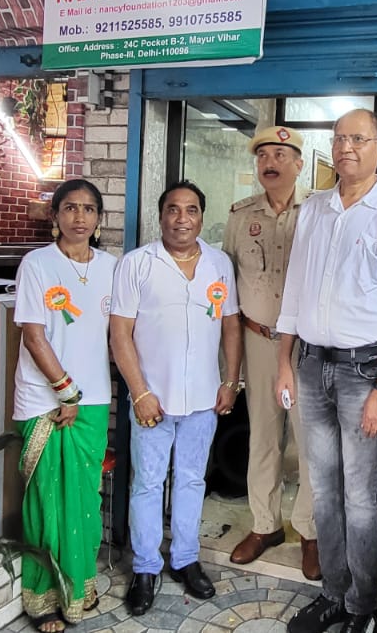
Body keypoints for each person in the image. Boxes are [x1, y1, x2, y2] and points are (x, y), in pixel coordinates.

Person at [276, 108, 377, 633]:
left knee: (361, 496)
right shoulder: (315, 209)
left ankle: (364, 608)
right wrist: (283, 364)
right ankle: (332, 594)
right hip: (312, 365)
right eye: (339, 139)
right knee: (323, 488)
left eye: (357, 139)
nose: (346, 148)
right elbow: (294, 290)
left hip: (365, 372)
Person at [111, 180, 243, 616]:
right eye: (173, 209)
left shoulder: (220, 264)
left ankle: (185, 558)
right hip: (153, 400)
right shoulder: (137, 264)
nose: (181, 218)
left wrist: (231, 382)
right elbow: (120, 333)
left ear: (202, 216)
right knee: (148, 484)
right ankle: (146, 567)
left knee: (191, 481)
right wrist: (140, 392)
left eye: (191, 210)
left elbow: (230, 327)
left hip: (204, 398)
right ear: (161, 215)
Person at [13, 179, 116, 632]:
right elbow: (33, 334)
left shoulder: (113, 267)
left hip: (93, 399)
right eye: (70, 208)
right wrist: (64, 390)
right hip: (46, 399)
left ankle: (80, 584)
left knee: (84, 501)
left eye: (89, 209)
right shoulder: (37, 263)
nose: (80, 216)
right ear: (55, 215)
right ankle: (44, 598)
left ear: (98, 218)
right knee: (47, 502)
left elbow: (122, 333)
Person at [223, 126, 320, 577]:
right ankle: (265, 525)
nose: (271, 161)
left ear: (299, 164)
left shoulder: (320, 213)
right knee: (263, 437)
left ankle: (309, 530)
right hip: (259, 340)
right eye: (263, 154)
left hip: (308, 346)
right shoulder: (241, 216)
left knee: (309, 443)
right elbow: (226, 289)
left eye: (282, 154)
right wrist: (230, 362)